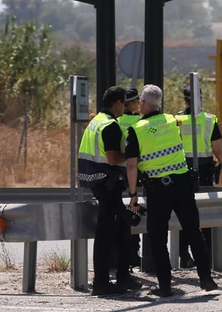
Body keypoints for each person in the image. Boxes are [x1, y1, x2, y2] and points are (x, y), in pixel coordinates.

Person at [124, 84, 217, 297]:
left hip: (158, 189)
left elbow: (131, 165)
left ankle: (165, 286)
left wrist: (132, 194)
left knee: (157, 237)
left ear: (143, 103)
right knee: (194, 231)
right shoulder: (172, 121)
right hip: (183, 184)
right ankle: (206, 277)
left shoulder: (136, 129)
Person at [78, 86, 140, 296]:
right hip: (106, 183)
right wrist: (132, 157)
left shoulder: (96, 121)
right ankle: (102, 282)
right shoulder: (110, 125)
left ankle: (123, 276)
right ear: (118, 104)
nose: (124, 107)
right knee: (105, 234)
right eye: (124, 103)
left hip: (95, 180)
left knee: (122, 228)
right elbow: (113, 158)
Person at [176, 82, 222, 269]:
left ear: (185, 100)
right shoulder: (209, 120)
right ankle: (207, 255)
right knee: (206, 213)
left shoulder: (175, 120)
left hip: (181, 172)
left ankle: (184, 255)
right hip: (205, 173)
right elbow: (218, 150)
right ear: (200, 99)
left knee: (184, 213)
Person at [117, 87, 142, 270]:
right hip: (137, 173)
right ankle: (134, 253)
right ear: (132, 102)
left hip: (118, 172)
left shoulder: (116, 121)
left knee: (120, 214)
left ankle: (121, 255)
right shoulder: (140, 122)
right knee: (135, 212)